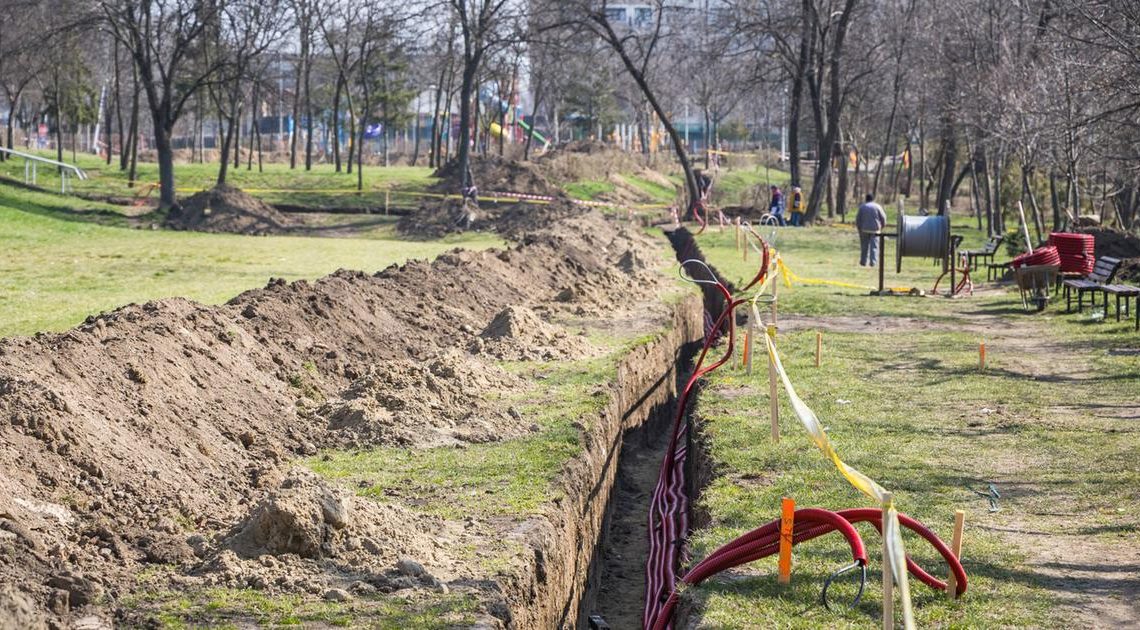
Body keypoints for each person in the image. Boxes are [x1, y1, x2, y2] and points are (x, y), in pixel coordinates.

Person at [856, 193, 887, 267]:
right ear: (873, 199)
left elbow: (858, 219)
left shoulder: (862, 207)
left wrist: (859, 228)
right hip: (875, 229)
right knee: (874, 247)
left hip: (864, 229)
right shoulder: (877, 207)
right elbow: (883, 218)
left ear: (866, 199)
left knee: (864, 246)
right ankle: (873, 262)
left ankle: (863, 261)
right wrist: (882, 226)